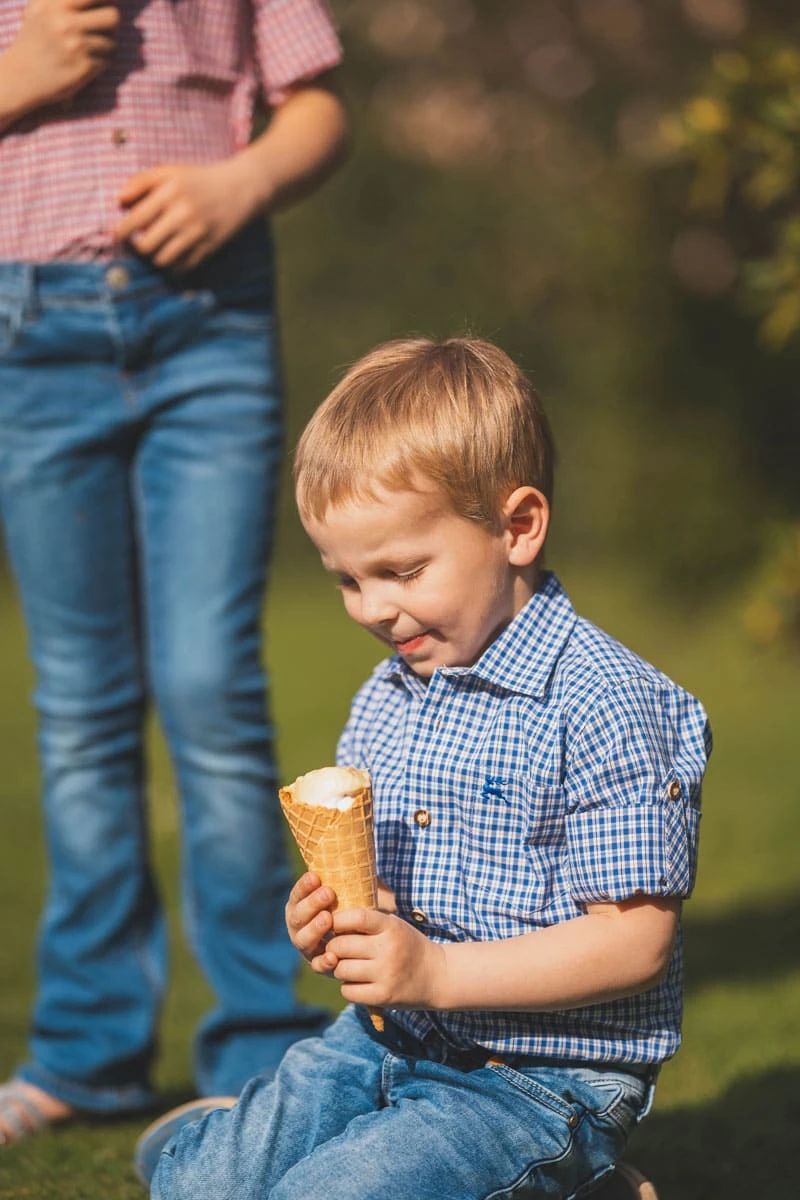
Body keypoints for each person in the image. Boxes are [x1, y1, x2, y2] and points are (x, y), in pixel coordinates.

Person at [132, 336, 711, 1199]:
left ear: (517, 527)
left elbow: (635, 943)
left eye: (401, 570)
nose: (372, 609)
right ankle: (219, 1143)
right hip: (387, 1036)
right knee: (196, 1186)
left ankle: (583, 1176)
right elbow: (400, 897)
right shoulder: (390, 694)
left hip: (540, 1080)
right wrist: (340, 923)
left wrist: (437, 973)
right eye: (347, 579)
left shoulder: (606, 702)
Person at [0, 0, 348, 1145]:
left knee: (209, 685)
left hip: (209, 327)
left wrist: (241, 183)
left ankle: (258, 1039)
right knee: (82, 707)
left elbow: (316, 108)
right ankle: (89, 1051)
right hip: (26, 338)